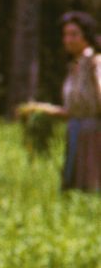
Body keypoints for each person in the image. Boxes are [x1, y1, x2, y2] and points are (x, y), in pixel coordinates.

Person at [49, 12, 101, 191]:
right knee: (74, 185)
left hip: (93, 134)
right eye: (65, 35)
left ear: (86, 35)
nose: (68, 40)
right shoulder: (75, 65)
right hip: (75, 132)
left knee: (90, 185)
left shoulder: (95, 63)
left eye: (74, 34)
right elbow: (73, 106)